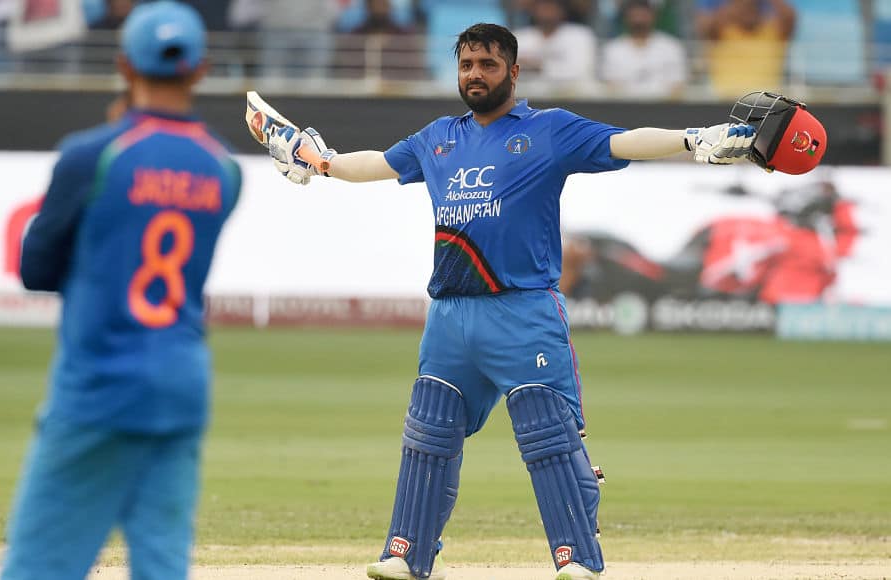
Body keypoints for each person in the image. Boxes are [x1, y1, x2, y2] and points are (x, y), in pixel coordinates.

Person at [267, 22, 754, 580]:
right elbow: (373, 163)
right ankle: (409, 552)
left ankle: (578, 559)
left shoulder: (551, 130)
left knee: (548, 435)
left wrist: (693, 140)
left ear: (514, 72)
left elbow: (625, 140)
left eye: (488, 65)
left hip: (523, 312)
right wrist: (319, 160)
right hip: (450, 315)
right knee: (429, 434)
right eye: (467, 65)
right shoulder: (437, 137)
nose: (475, 75)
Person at [0, 2, 242, 579]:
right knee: (161, 562)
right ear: (201, 69)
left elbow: (35, 268)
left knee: (38, 565)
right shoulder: (224, 168)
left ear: (124, 66)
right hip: (182, 383)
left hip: (100, 383)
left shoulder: (93, 154)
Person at [696, 0, 796, 97]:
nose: (747, 11)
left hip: (766, 101)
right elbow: (705, 27)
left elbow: (789, 17)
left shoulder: (774, 31)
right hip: (723, 99)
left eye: (752, 6)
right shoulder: (720, 32)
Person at [599, 0, 688, 98]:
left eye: (643, 14)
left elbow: (677, 86)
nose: (639, 19)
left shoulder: (671, 47)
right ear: (626, 17)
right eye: (634, 15)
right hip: (624, 108)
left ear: (653, 16)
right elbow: (611, 88)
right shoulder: (613, 49)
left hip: (663, 108)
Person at [514, 0, 598, 94]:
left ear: (562, 11)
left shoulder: (580, 35)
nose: (547, 12)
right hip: (530, 98)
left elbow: (579, 70)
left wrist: (539, 66)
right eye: (543, 7)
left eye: (552, 7)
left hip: (574, 97)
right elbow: (511, 71)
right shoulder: (520, 36)